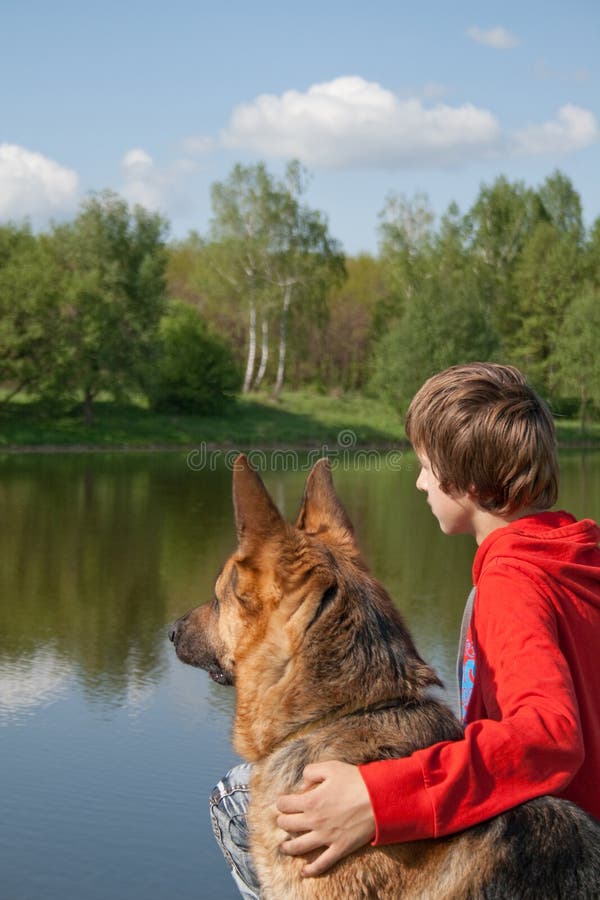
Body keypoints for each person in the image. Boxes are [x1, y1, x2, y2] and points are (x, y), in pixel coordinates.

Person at [210, 362, 600, 896]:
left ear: (465, 479)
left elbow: (549, 739)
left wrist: (380, 797)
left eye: (424, 465)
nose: (418, 482)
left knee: (240, 801)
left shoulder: (514, 582)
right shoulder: (573, 556)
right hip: (560, 831)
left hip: (542, 857)